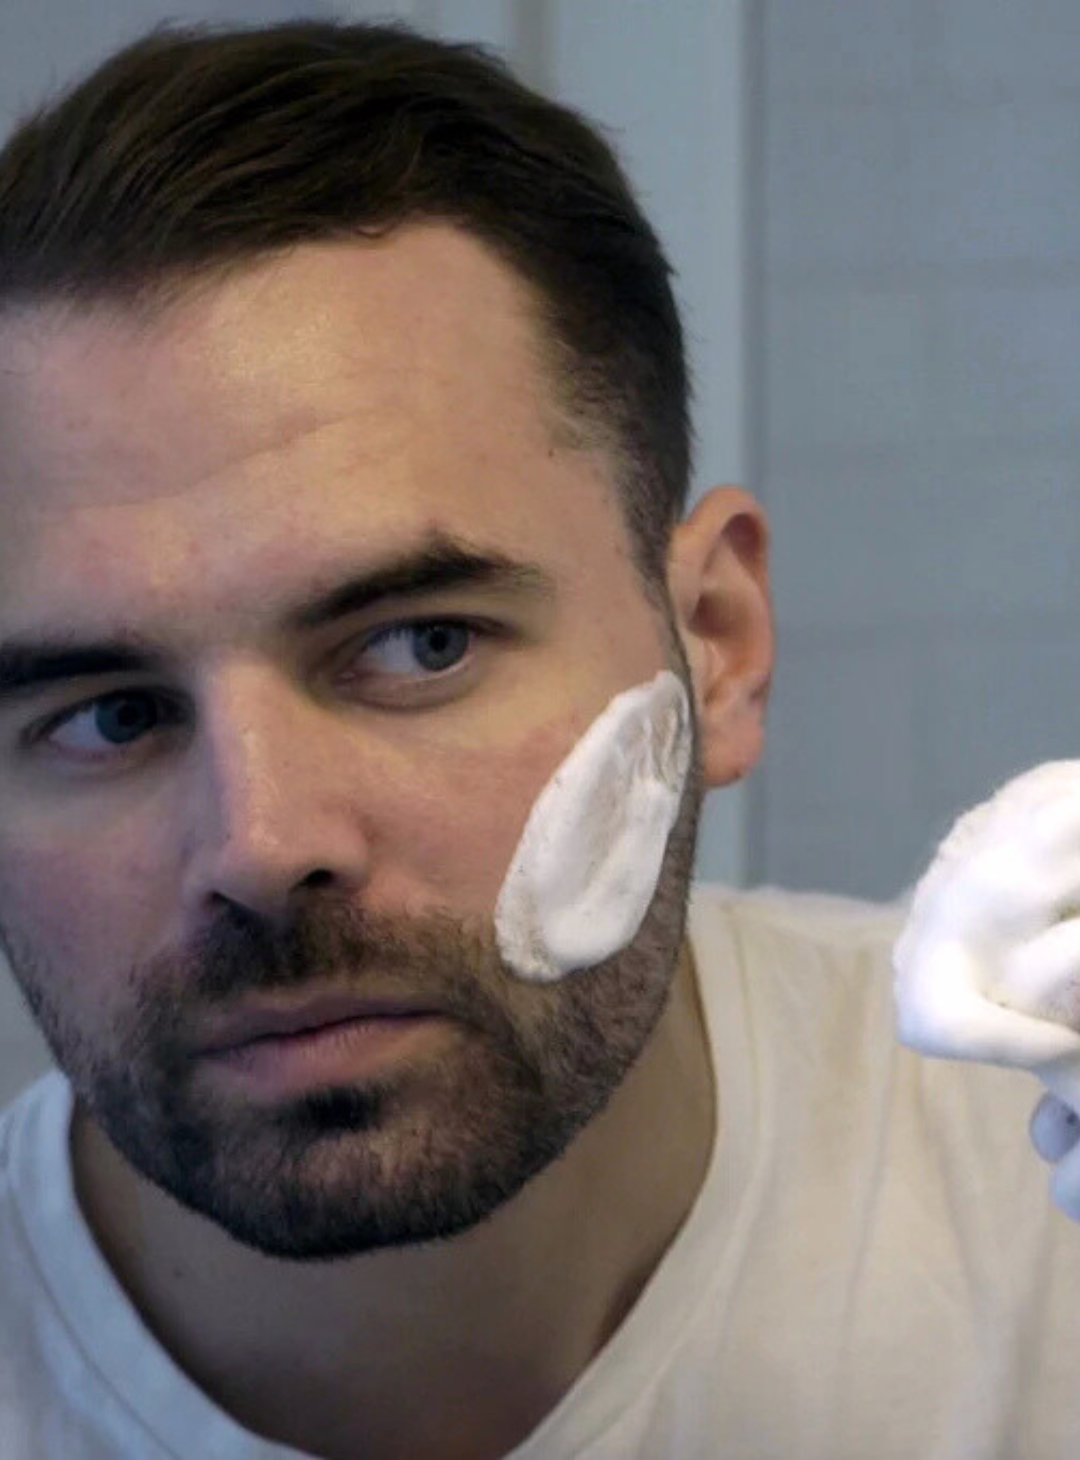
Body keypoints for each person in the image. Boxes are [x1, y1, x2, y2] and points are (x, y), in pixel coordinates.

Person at [0, 19, 1076, 1460]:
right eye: (110, 716)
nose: (261, 847)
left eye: (417, 645)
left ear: (716, 643)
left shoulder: (1033, 1208)